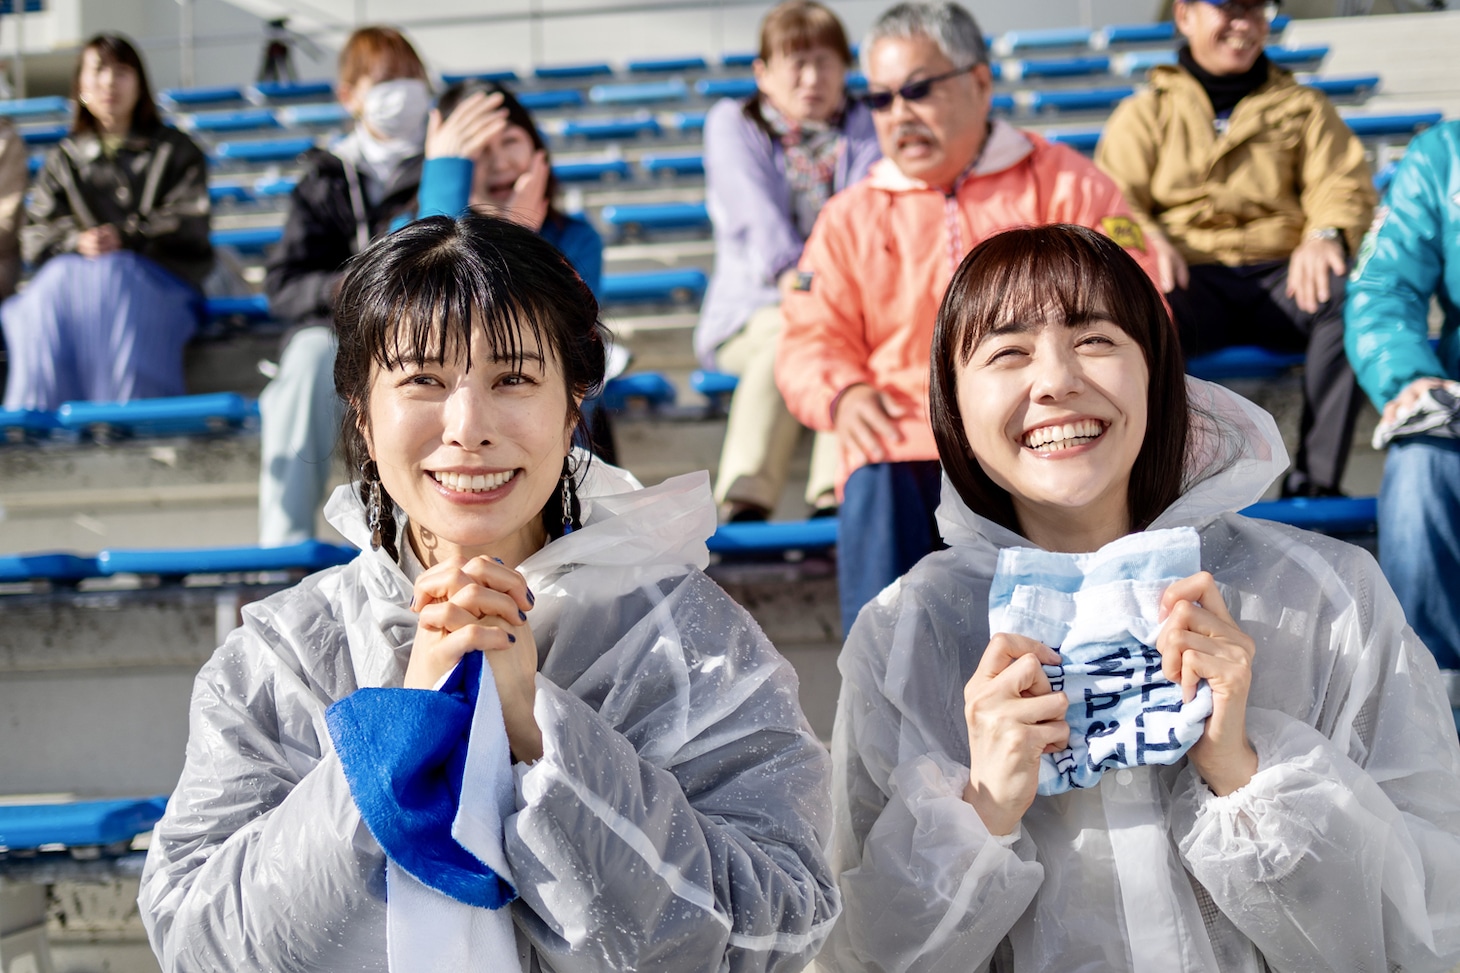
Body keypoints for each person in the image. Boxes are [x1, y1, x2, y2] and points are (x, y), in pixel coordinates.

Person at [139, 214, 839, 971]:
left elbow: (778, 931)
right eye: (423, 381)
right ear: (363, 416)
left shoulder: (689, 641)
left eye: (512, 378)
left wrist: (541, 729)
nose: (468, 426)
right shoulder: (283, 656)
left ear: (573, 405)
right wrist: (395, 738)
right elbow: (199, 943)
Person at [825, 223, 1460, 972]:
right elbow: (859, 954)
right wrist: (984, 808)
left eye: (1095, 339)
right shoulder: (907, 634)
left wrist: (1244, 770)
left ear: (1158, 373)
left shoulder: (1323, 598)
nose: (1056, 380)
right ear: (953, 405)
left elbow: (1426, 929)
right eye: (1007, 351)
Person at [775, 1, 1160, 635]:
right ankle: (883, 714)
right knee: (886, 618)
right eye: (880, 98)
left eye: (919, 90)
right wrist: (841, 394)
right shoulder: (850, 215)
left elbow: (1140, 310)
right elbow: (808, 336)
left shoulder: (1068, 183)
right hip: (903, 440)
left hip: (1040, 423)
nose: (900, 114)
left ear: (980, 82)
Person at [1095, 0, 1375, 499]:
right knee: (1133, 310)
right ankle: (1155, 489)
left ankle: (1315, 483)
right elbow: (1114, 199)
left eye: (1255, 8)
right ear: (1185, 16)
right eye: (1228, 8)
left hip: (1283, 276)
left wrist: (1325, 233)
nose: (1243, 24)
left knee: (1349, 298)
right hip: (1190, 278)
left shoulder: (1304, 107)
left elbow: (1342, 183)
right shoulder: (1146, 112)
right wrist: (1149, 242)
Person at [698, 0, 880, 522]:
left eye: (825, 61)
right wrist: (803, 287)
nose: (811, 77)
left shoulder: (867, 124)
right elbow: (755, 215)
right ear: (762, 73)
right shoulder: (734, 122)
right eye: (794, 62)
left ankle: (834, 494)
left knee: (839, 334)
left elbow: (864, 214)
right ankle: (744, 498)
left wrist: (829, 298)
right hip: (752, 313)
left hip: (845, 306)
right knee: (791, 331)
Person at [259, 25, 431, 547]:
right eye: (384, 80)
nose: (401, 92)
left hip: (420, 331)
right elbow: (283, 285)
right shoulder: (323, 178)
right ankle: (281, 550)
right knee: (309, 359)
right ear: (348, 95)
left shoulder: (446, 166)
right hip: (335, 335)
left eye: (410, 78)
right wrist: (337, 290)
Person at [2, 33, 212, 411]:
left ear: (140, 83)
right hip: (74, 284)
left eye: (122, 71)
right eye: (98, 71)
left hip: (158, 281)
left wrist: (128, 238)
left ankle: (130, 415)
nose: (109, 82)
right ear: (80, 85)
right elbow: (36, 235)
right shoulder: (63, 160)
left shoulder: (176, 150)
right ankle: (34, 416)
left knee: (114, 277)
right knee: (37, 298)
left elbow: (189, 222)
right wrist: (77, 242)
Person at [1345, 119, 1460, 692]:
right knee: (1421, 464)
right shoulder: (1444, 154)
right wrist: (1410, 378)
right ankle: (1431, 690)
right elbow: (1384, 286)